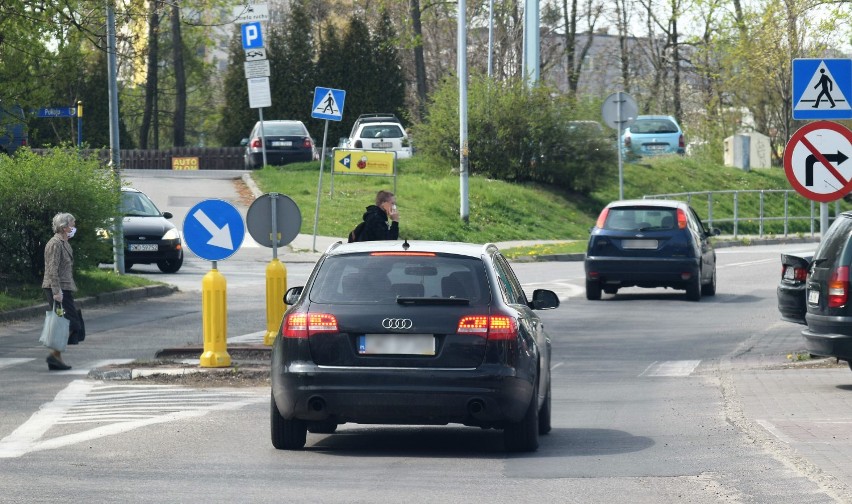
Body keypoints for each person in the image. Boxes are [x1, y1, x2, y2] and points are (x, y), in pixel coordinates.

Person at [41, 212, 83, 371]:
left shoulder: (65, 243)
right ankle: (54, 355)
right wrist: (56, 291)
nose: (74, 227)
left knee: (66, 323)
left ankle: (55, 357)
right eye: (72, 225)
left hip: (65, 287)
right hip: (57, 289)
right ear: (64, 228)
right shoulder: (54, 244)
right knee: (69, 323)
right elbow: (52, 269)